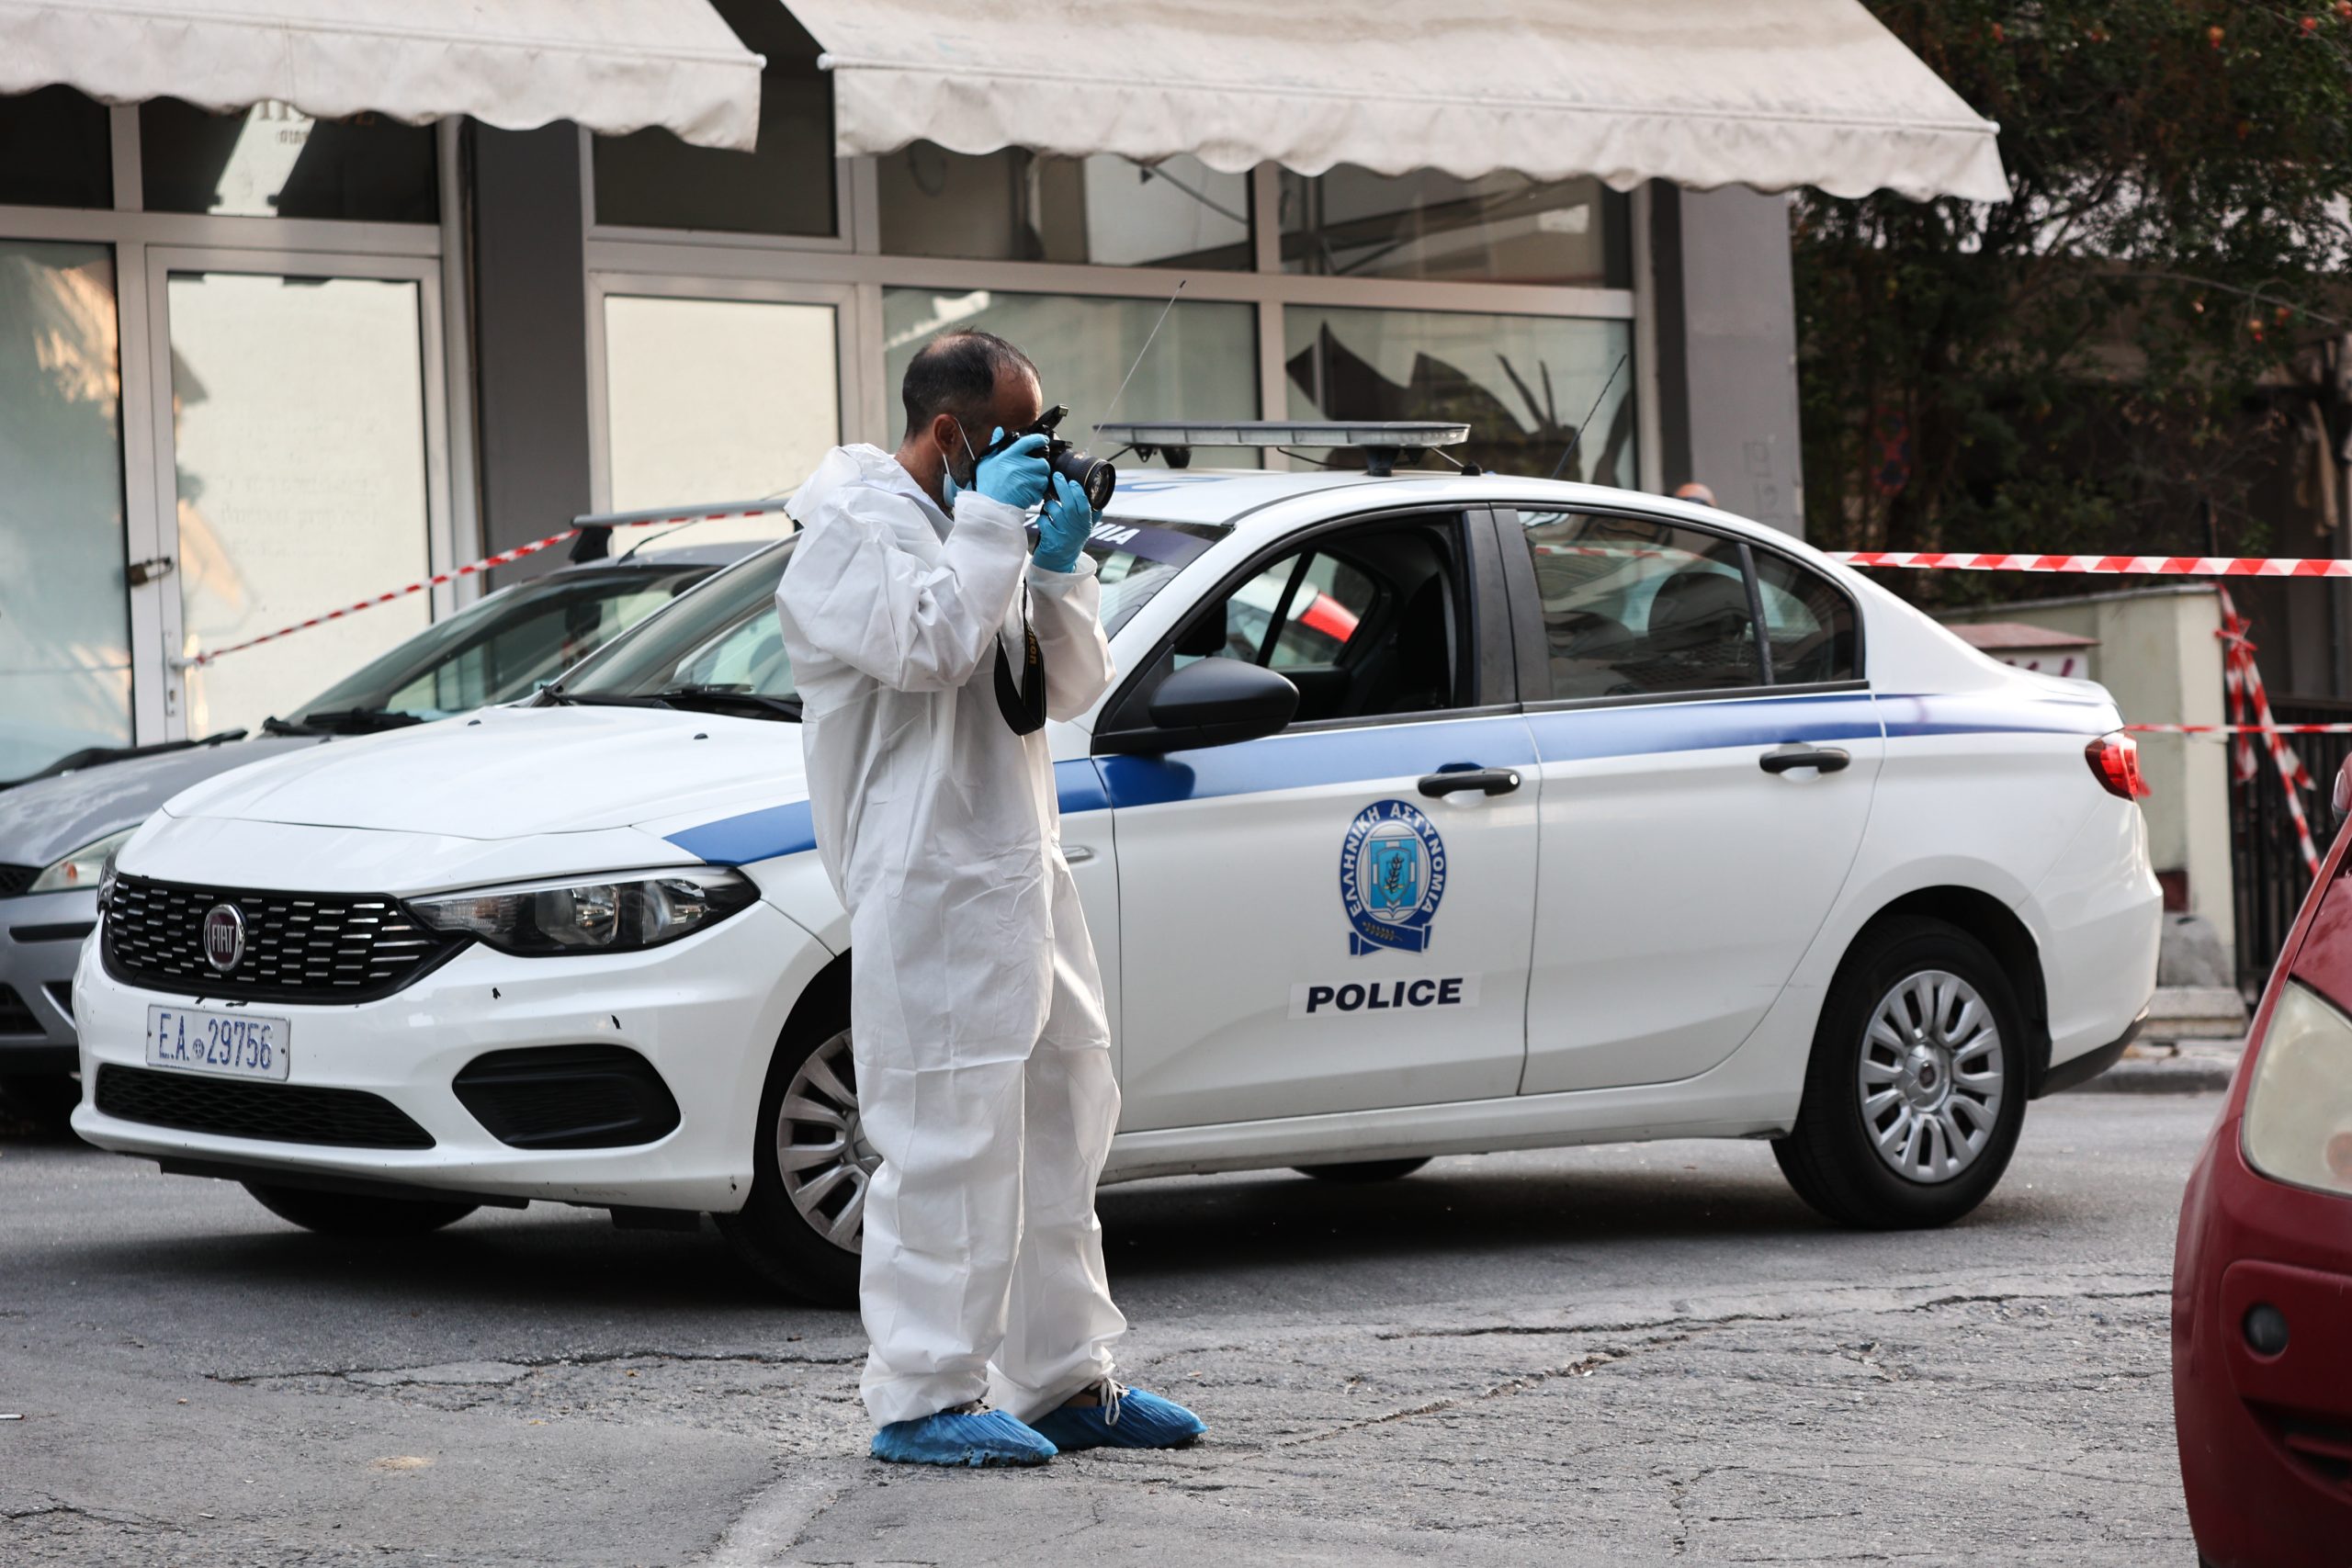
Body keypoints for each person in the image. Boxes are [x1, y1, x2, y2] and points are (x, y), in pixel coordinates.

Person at [774, 330, 1205, 1467]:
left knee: (1065, 1114)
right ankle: (923, 1394)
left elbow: (1065, 688)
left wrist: (1059, 570)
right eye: (1017, 437)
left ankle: (1062, 1377)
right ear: (947, 431)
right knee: (944, 1136)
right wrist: (995, 526)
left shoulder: (983, 525)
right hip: (925, 880)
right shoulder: (847, 532)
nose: (1037, 459)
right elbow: (930, 647)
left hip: (1018, 865)